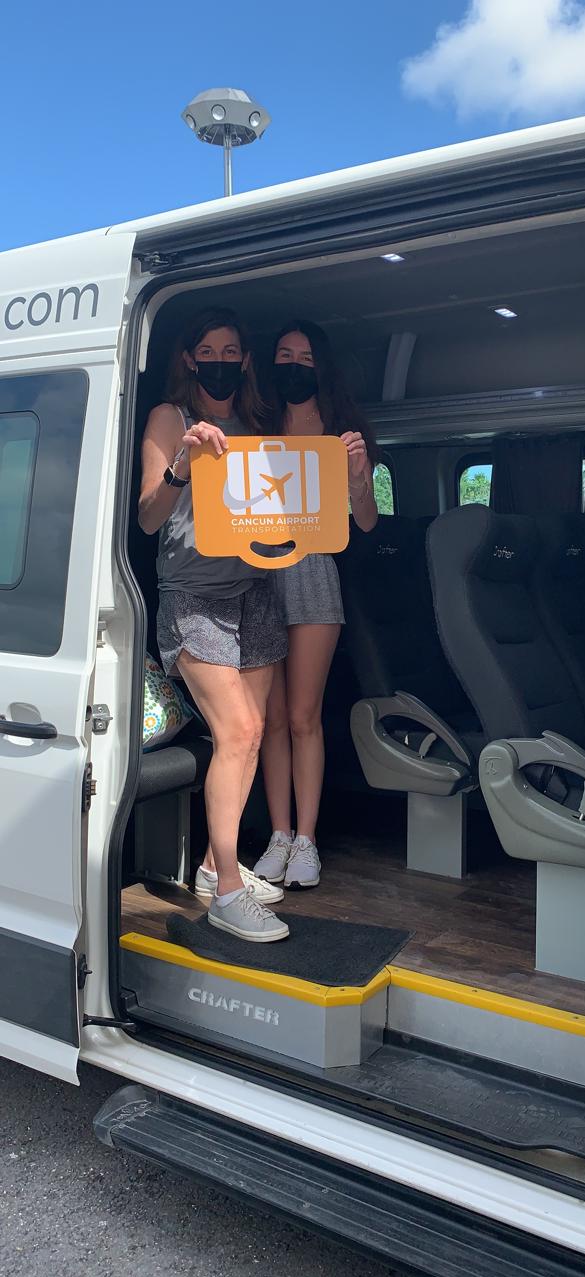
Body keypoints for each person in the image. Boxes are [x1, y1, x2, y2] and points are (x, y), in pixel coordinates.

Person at [138, 308, 289, 943]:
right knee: (242, 729)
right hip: (192, 595)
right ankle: (228, 890)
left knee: (248, 741)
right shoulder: (171, 418)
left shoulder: (256, 424)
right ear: (191, 358)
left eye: (232, 349)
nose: (221, 359)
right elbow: (148, 518)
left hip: (252, 590)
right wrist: (182, 464)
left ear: (245, 360)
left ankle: (209, 864)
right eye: (208, 350)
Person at [253, 320, 378, 891]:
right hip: (255, 574)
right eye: (284, 354)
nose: (294, 365)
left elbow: (367, 520)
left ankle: (307, 840)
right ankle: (277, 835)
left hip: (312, 574)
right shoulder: (256, 422)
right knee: (270, 719)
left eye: (304, 356)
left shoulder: (342, 430)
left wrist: (357, 477)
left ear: (320, 366)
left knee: (304, 716)